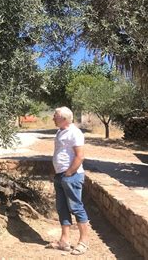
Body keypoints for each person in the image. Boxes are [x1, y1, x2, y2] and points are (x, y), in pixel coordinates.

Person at [46, 106, 89, 255]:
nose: (53, 118)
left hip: (71, 176)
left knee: (76, 208)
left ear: (64, 119)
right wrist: (54, 171)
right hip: (60, 176)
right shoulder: (60, 132)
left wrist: (69, 173)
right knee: (62, 208)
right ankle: (64, 241)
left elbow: (80, 156)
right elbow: (58, 153)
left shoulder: (75, 133)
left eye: (55, 116)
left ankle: (83, 242)